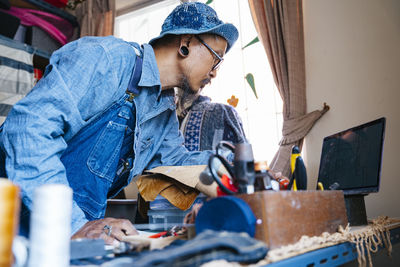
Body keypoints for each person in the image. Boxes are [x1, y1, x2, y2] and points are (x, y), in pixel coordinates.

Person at [0, 2, 238, 244]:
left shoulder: (164, 108)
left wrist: (236, 167)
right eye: (216, 58)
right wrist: (72, 225)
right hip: (12, 221)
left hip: (69, 237)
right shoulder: (107, 59)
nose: (214, 72)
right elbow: (27, 129)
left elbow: (177, 164)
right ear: (185, 43)